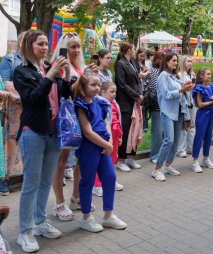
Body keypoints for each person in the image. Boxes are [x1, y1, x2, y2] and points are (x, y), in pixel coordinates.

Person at [13, 30, 71, 253]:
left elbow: (64, 95)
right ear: (29, 46)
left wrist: (66, 75)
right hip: (33, 132)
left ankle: (39, 222)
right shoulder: (21, 71)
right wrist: (50, 75)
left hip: (53, 131)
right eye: (40, 44)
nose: (45, 48)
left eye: (47, 44)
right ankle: (24, 232)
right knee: (31, 183)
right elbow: (33, 99)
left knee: (46, 181)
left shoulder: (48, 67)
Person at [74, 73, 127, 232]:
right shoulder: (80, 105)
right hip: (88, 148)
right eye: (93, 85)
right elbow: (87, 131)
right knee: (87, 181)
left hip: (103, 147)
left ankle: (108, 216)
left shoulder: (100, 103)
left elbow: (106, 123)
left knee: (110, 177)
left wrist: (109, 141)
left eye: (98, 84)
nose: (97, 88)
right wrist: (107, 145)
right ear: (83, 87)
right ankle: (86, 217)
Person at [50, 33, 92, 221]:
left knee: (80, 159)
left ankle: (76, 197)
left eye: (78, 46)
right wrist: (81, 80)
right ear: (64, 48)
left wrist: (89, 77)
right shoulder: (57, 67)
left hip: (81, 118)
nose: (76, 50)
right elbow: (63, 93)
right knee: (61, 160)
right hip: (65, 120)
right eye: (72, 46)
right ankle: (59, 203)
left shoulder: (79, 67)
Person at [152, 53, 193, 182]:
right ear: (166, 61)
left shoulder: (174, 76)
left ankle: (168, 165)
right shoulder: (163, 76)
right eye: (173, 60)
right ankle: (157, 169)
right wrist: (181, 90)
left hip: (179, 111)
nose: (176, 63)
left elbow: (181, 88)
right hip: (167, 112)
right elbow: (166, 95)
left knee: (175, 142)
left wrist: (186, 86)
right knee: (168, 140)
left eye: (176, 61)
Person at [0, 31, 26, 196]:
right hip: (14, 107)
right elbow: (6, 83)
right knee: (9, 142)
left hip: (30, 108)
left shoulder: (36, 62)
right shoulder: (9, 59)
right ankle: (5, 178)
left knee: (27, 141)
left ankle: (24, 177)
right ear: (19, 42)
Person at [114, 42, 143, 172]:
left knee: (134, 129)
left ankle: (131, 157)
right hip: (126, 103)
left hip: (135, 102)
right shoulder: (120, 64)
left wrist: (140, 94)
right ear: (129, 50)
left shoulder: (133, 63)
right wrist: (136, 96)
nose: (135, 51)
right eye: (133, 49)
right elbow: (122, 84)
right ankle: (121, 160)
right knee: (126, 131)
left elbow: (137, 81)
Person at [92, 82, 124, 197]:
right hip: (105, 135)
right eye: (111, 92)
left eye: (115, 92)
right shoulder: (100, 103)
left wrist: (120, 136)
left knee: (113, 158)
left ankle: (110, 180)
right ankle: (96, 185)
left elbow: (119, 119)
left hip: (115, 134)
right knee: (101, 159)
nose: (114, 94)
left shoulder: (115, 103)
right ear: (103, 92)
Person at [191, 68, 213, 173]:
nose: (210, 76)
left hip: (210, 114)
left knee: (208, 137)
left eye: (210, 74)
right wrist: (212, 102)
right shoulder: (199, 88)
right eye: (208, 74)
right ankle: (195, 161)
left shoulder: (212, 87)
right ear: (201, 76)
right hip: (202, 114)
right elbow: (200, 104)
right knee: (199, 137)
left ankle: (206, 159)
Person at [176, 56, 196, 158]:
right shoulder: (179, 75)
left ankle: (190, 147)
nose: (190, 63)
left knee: (192, 125)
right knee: (183, 126)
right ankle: (181, 149)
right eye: (188, 61)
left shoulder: (192, 74)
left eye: (191, 61)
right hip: (183, 103)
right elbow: (179, 89)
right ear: (183, 62)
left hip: (192, 103)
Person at [147, 54, 162, 164]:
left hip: (164, 106)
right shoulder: (155, 72)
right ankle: (154, 155)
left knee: (163, 132)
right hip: (157, 106)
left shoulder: (164, 72)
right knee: (157, 132)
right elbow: (154, 89)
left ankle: (160, 153)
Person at [135, 48, 150, 132]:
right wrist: (145, 73)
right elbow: (138, 75)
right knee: (140, 108)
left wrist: (147, 74)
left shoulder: (143, 64)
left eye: (144, 56)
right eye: (141, 56)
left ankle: (144, 126)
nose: (142, 58)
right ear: (137, 54)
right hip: (139, 89)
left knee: (145, 109)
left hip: (144, 88)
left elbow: (146, 76)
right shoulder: (135, 63)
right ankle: (140, 126)